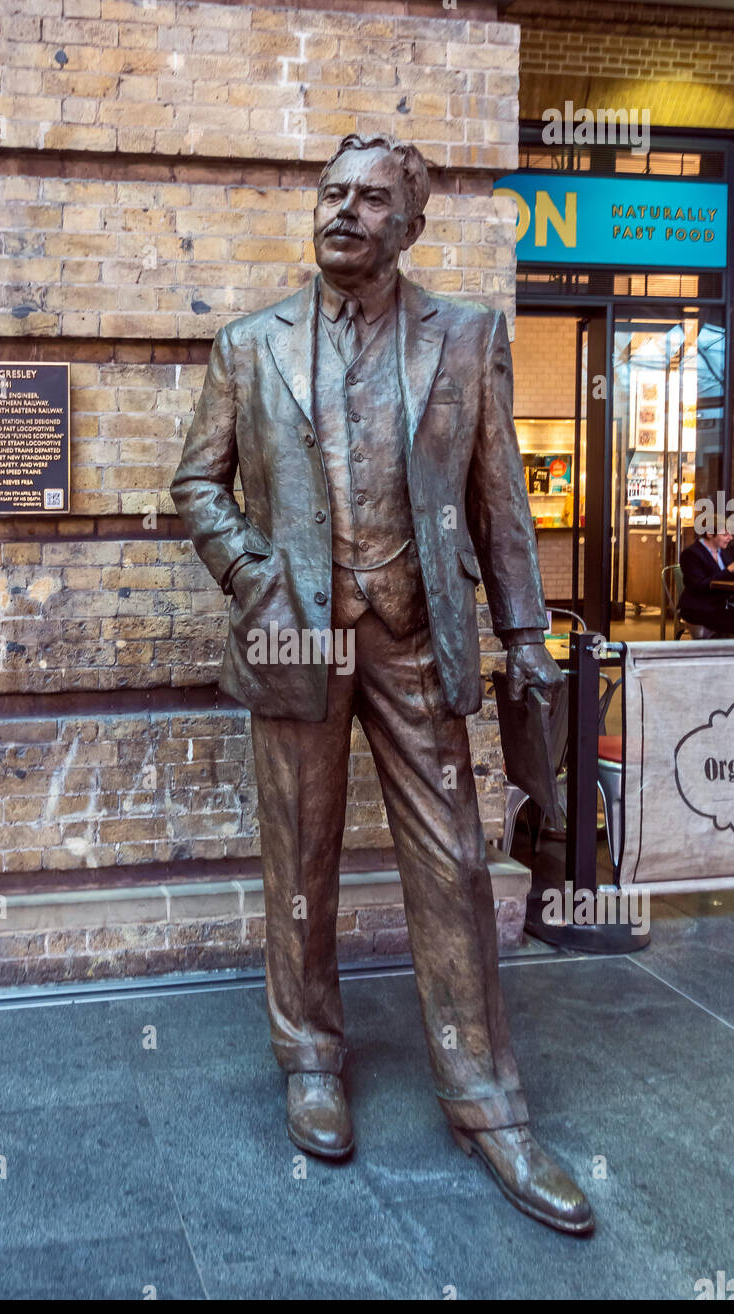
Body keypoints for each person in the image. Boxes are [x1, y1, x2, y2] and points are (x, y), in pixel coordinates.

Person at [171, 133, 594, 1236]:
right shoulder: (248, 346)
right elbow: (194, 484)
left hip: (415, 639)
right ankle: (309, 1054)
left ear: (410, 224)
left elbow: (500, 501)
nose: (344, 212)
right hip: (297, 637)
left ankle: (485, 1099)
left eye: (370, 200)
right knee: (298, 852)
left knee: (453, 864)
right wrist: (253, 572)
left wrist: (525, 633)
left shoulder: (463, 338)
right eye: (331, 194)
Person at [679, 528, 734, 636]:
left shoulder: (724, 551)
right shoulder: (691, 554)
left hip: (721, 604)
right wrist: (729, 570)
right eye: (725, 534)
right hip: (698, 607)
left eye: (730, 534)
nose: (730, 538)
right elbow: (698, 585)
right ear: (709, 534)